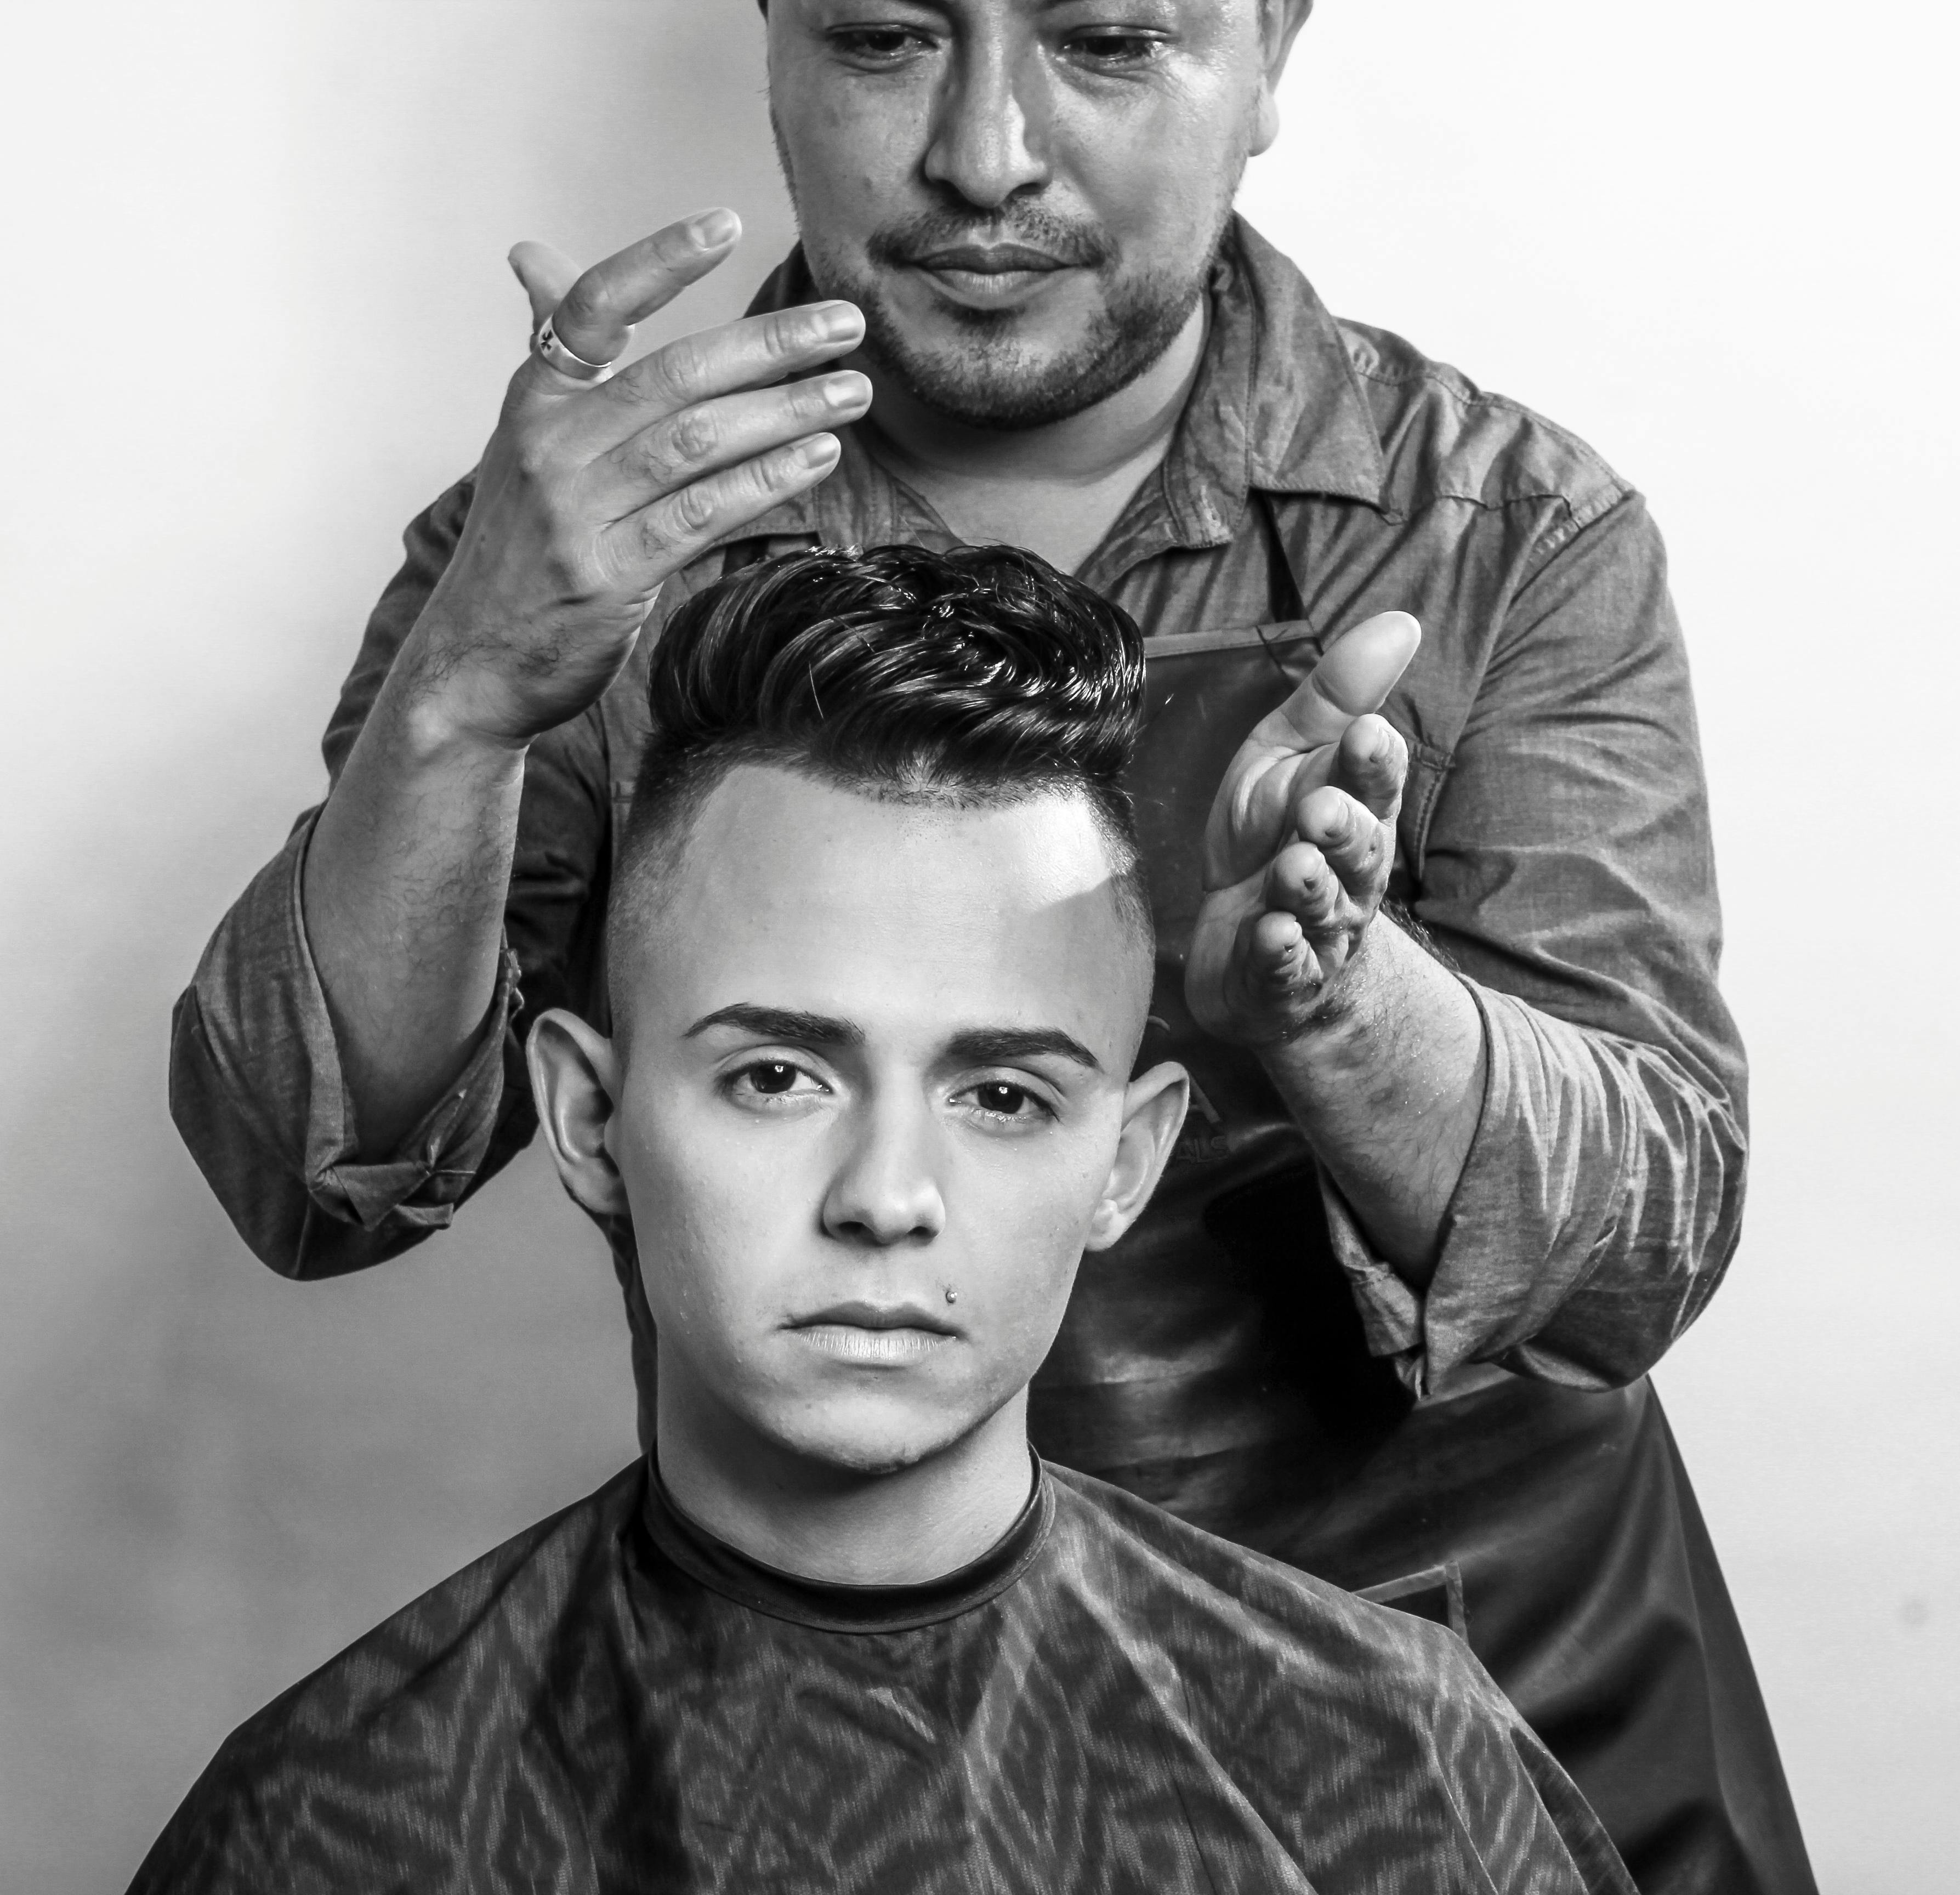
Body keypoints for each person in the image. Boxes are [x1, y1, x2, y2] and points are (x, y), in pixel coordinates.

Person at [168, 4, 1812, 1889]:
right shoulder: (576, 543)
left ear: (1272, 53)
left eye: (1106, 42)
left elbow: (1638, 1258)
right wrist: (462, 700)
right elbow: (306, 1176)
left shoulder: (1506, 534)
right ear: (771, 39)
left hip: (1468, 1716)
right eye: (881, 40)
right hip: (842, 1704)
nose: (984, 153)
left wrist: (1341, 997)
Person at [133, 546, 1634, 1894]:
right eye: (778, 1075)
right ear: (591, 1118)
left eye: (1002, 1097)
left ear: (1127, 1159)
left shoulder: (1394, 1767)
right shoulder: (331, 1829)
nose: (886, 1201)